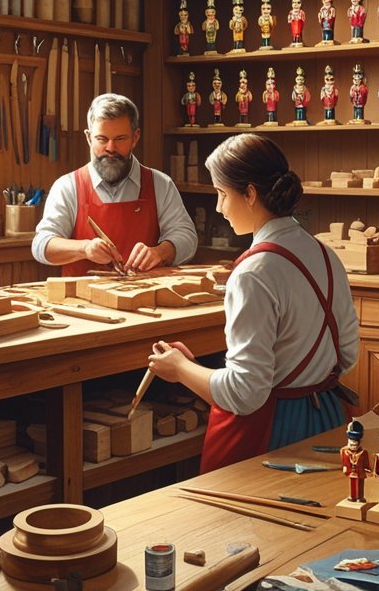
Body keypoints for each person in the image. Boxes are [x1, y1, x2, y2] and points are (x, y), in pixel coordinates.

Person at [146, 134, 359, 472]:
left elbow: (246, 395)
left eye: (221, 194)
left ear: (249, 194)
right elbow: (347, 356)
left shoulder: (252, 272)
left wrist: (181, 369)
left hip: (274, 435)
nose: (218, 207)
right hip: (328, 419)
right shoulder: (325, 253)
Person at [33, 94, 196, 275]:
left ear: (135, 137)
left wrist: (160, 252)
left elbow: (187, 237)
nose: (110, 148)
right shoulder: (67, 187)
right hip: (80, 302)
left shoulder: (160, 184)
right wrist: (84, 249)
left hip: (144, 299)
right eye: (102, 139)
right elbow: (42, 245)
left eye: (120, 139)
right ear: (88, 138)